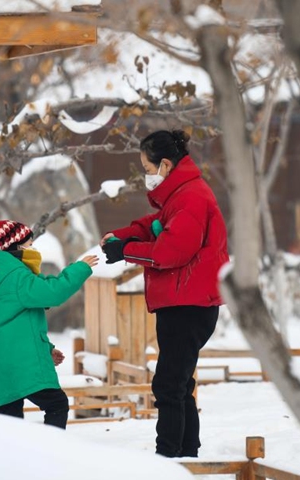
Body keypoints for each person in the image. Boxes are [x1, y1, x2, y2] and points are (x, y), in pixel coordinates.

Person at [100, 130, 229, 457]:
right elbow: (156, 224)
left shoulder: (191, 198)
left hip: (189, 304)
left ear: (166, 165)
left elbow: (171, 251)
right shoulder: (181, 195)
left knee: (169, 385)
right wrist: (123, 235)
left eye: (147, 168)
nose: (146, 175)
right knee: (179, 384)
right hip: (183, 302)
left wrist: (126, 251)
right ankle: (186, 456)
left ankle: (169, 459)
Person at [0, 215, 98, 429]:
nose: (33, 249)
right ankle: (49, 452)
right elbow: (53, 292)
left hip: (0, 369)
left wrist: (46, 349)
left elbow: (15, 324)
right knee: (57, 404)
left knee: (11, 425)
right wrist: (79, 269)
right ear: (15, 246)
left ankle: (20, 461)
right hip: (21, 366)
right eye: (30, 245)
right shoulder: (16, 277)